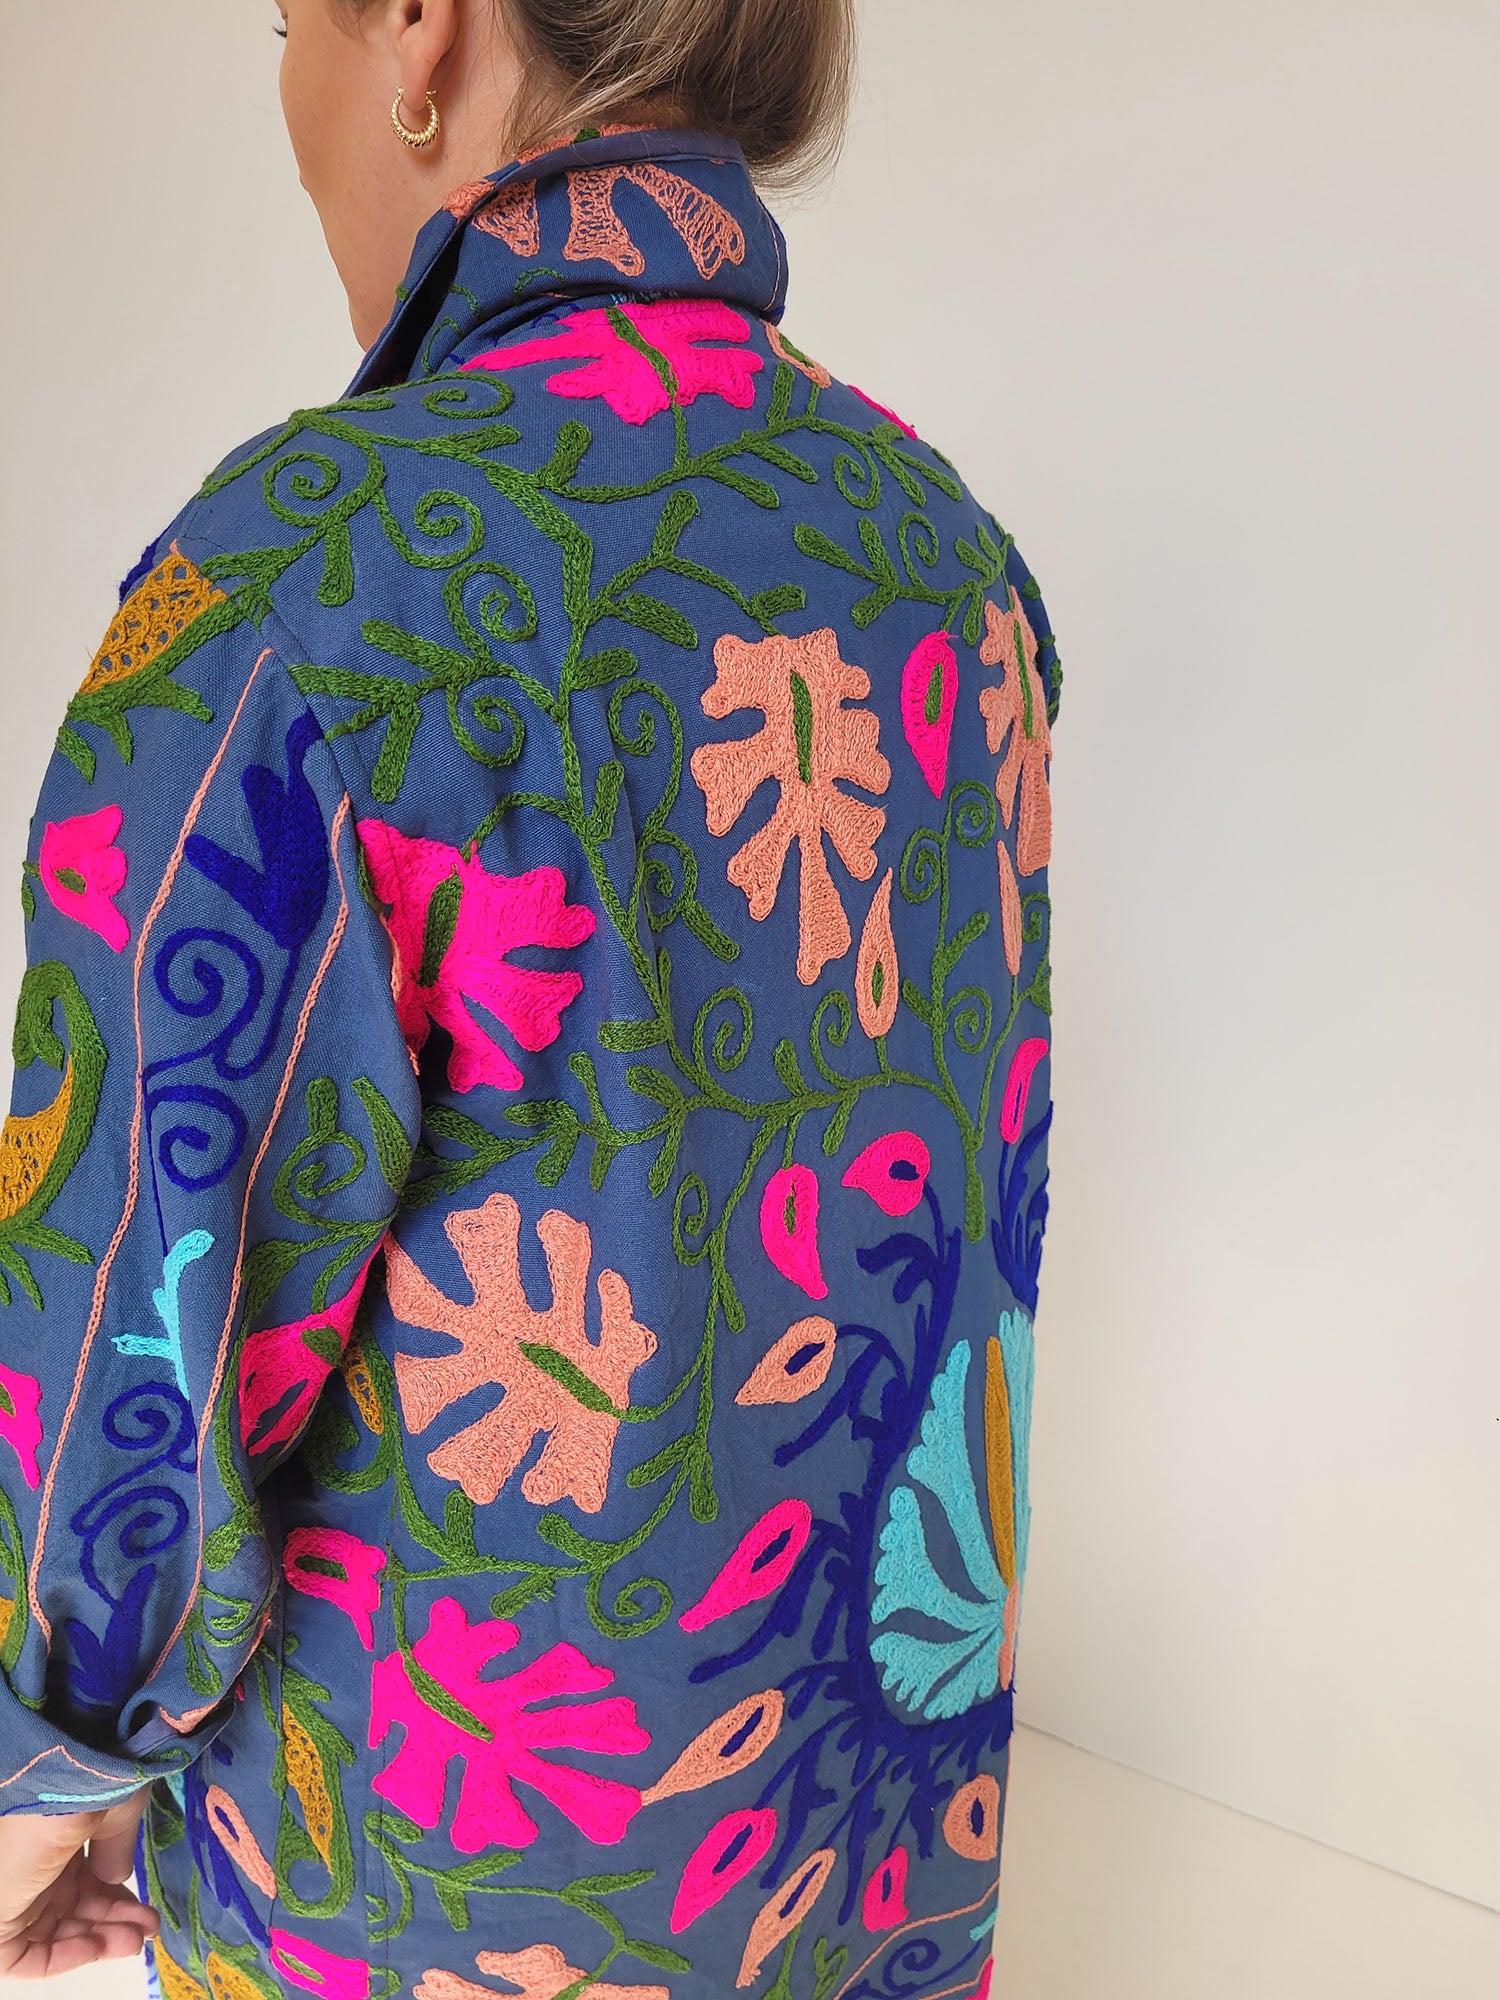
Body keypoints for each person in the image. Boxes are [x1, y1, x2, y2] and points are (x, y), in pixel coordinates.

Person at [0, 2, 1061, 1993]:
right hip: (871, 1873)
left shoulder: (298, 593)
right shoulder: (949, 558)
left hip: (436, 1902)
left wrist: (38, 1791)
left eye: (289, 20)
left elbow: (138, 1352)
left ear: (418, 24)